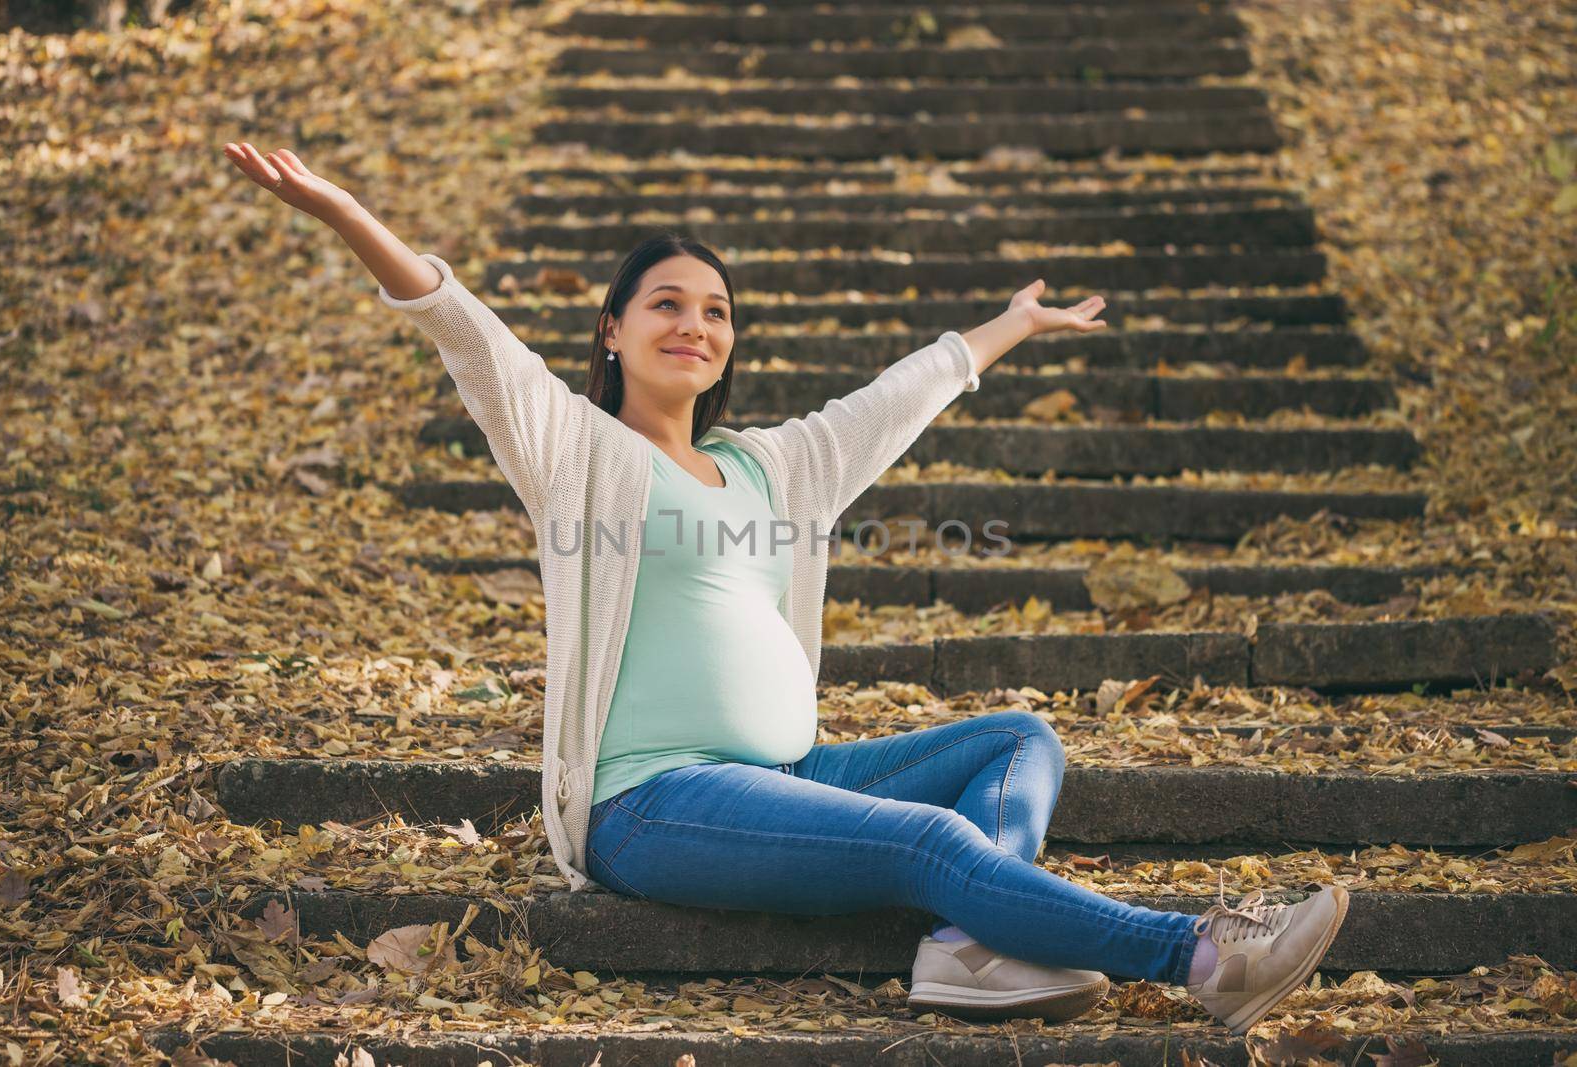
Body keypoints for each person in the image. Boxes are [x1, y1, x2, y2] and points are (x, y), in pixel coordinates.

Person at [222, 141, 1349, 1033]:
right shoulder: (578, 450)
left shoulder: (771, 464)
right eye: (665, 303)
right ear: (611, 331)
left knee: (1018, 738)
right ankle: (1203, 954)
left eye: (715, 310)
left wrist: (1007, 324)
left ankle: (976, 946)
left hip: (786, 775)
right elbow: (464, 333)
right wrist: (339, 210)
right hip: (650, 800)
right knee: (925, 838)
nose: (694, 323)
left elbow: (892, 399)